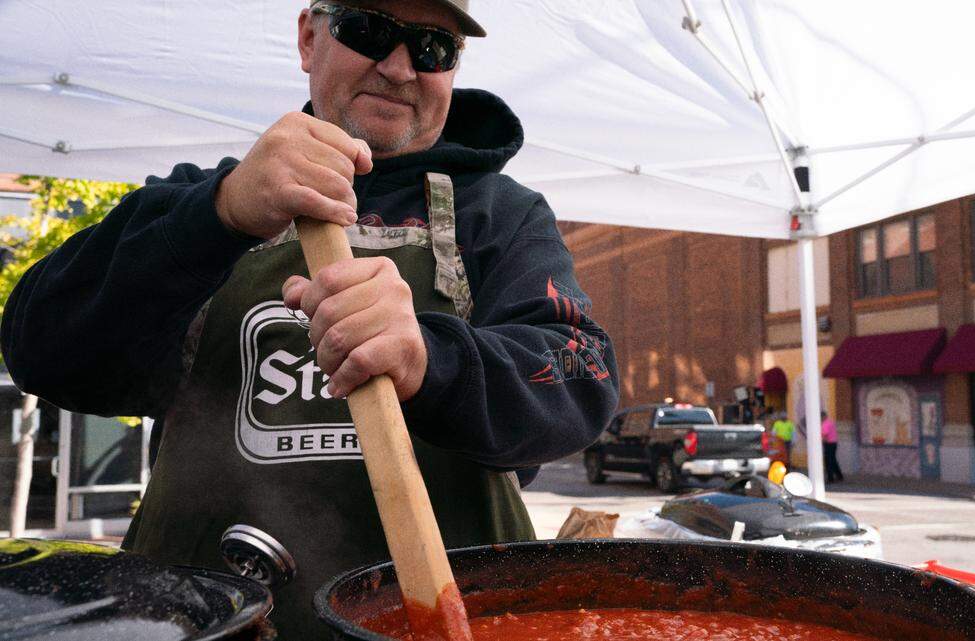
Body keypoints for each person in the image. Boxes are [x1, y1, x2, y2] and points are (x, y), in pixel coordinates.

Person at [0, 1, 619, 636]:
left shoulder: (501, 218)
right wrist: (217, 217)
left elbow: (583, 385)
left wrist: (433, 361)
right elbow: (40, 351)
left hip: (441, 623)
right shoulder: (195, 202)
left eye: (434, 47)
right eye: (369, 30)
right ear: (308, 37)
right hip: (201, 626)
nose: (401, 67)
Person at [821, 411, 843, 483]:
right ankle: (839, 475)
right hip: (834, 443)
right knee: (833, 460)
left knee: (828, 461)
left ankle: (830, 478)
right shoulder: (831, 422)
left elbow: (824, 435)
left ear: (823, 417)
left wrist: (821, 443)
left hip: (828, 444)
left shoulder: (825, 424)